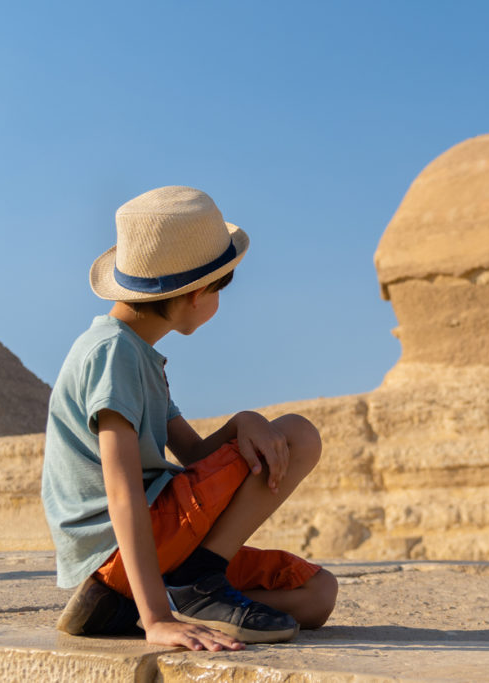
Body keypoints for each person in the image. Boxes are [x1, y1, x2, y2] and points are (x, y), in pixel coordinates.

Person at [41, 185, 337, 652]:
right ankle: (186, 588)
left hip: (160, 546)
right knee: (298, 435)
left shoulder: (138, 355)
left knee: (318, 595)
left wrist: (243, 421)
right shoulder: (113, 353)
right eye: (221, 288)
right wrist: (156, 618)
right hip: (121, 548)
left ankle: (139, 602)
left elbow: (197, 454)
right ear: (198, 294)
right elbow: (122, 490)